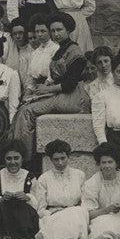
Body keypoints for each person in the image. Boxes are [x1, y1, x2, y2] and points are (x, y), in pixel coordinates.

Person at [9, 12, 91, 164]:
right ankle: (16, 152)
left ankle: (25, 159)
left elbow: (69, 83)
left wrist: (47, 90)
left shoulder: (75, 52)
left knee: (28, 112)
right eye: (53, 31)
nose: (56, 34)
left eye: (59, 30)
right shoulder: (61, 49)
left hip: (72, 97)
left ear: (68, 30)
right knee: (23, 107)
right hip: (60, 94)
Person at [81, 143, 120, 239]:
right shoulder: (92, 183)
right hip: (100, 218)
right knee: (103, 233)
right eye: (103, 163)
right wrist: (107, 209)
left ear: (116, 163)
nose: (107, 166)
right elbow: (88, 214)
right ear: (99, 164)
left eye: (110, 162)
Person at [32, 139, 89, 239]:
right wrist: (49, 213)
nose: (60, 162)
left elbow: (85, 202)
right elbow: (40, 209)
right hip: (54, 215)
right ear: (51, 160)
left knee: (78, 213)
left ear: (68, 157)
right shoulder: (44, 179)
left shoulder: (79, 175)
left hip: (75, 214)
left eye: (63, 158)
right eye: (56, 159)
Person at [0, 139, 39, 239]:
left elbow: (39, 203)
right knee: (3, 207)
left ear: (22, 158)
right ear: (4, 159)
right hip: (2, 225)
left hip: (24, 225)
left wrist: (27, 198)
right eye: (9, 158)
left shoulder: (30, 177)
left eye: (16, 158)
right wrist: (1, 199)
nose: (13, 162)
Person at [23, 13, 59, 96]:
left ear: (49, 31)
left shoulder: (56, 49)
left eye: (43, 31)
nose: (39, 34)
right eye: (37, 31)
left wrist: (44, 87)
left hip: (50, 90)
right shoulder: (35, 53)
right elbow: (31, 79)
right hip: (37, 90)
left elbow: (54, 75)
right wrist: (27, 94)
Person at [4, 18, 34, 92]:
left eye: (21, 33)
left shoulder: (32, 50)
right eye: (15, 34)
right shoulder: (12, 48)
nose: (17, 36)